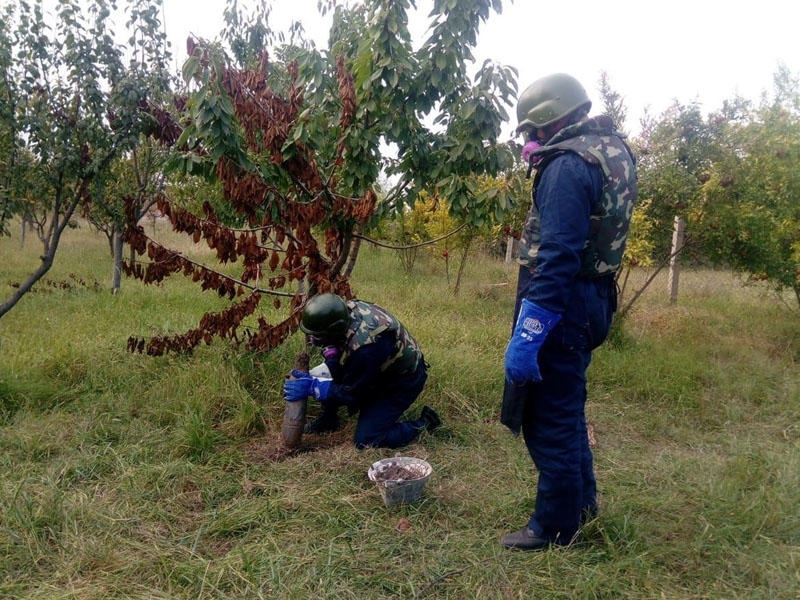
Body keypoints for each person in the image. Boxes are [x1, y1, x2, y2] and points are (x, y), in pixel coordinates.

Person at [500, 73, 638, 551]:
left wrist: (531, 329)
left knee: (547, 417)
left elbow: (557, 256)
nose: (531, 141)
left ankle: (556, 525)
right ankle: (581, 506)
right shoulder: (614, 150)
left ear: (552, 119)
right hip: (597, 295)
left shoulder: (565, 166)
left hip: (562, 301)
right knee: (568, 409)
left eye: (532, 131)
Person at [283, 293, 441, 449]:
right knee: (334, 370)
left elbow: (352, 394)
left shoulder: (366, 348)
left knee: (367, 440)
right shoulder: (343, 312)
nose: (311, 340)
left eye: (317, 336)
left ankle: (425, 423)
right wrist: (331, 361)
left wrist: (315, 388)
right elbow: (344, 362)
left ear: (334, 330)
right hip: (377, 368)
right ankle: (328, 420)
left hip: (402, 381)